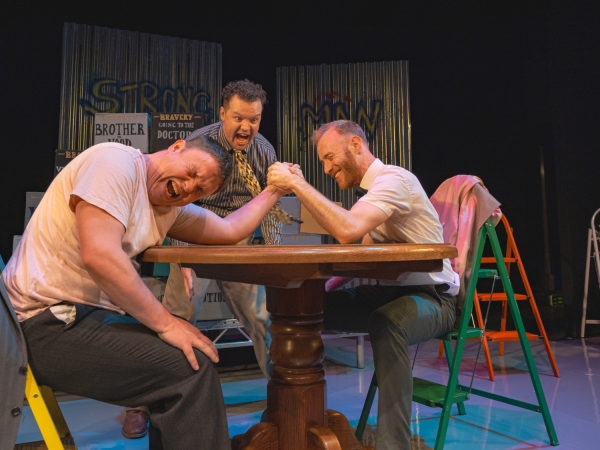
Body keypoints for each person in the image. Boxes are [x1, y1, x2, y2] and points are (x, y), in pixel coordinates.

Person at [1, 135, 290, 449]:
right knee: (190, 370)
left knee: (188, 359)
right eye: (192, 172)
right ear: (177, 147)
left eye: (200, 190)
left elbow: (229, 230)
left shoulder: (169, 209)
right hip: (38, 323)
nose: (189, 187)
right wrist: (167, 323)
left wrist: (275, 190)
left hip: (77, 318)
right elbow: (100, 255)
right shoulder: (115, 163)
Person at [267, 120, 460, 450]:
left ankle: (393, 444)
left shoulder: (394, 180)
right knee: (300, 310)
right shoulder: (374, 195)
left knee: (387, 322)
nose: (326, 168)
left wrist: (298, 184)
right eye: (322, 162)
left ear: (355, 145)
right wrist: (319, 293)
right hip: (389, 293)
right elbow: (355, 252)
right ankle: (294, 422)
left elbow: (348, 231)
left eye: (329, 158)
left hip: (434, 298)